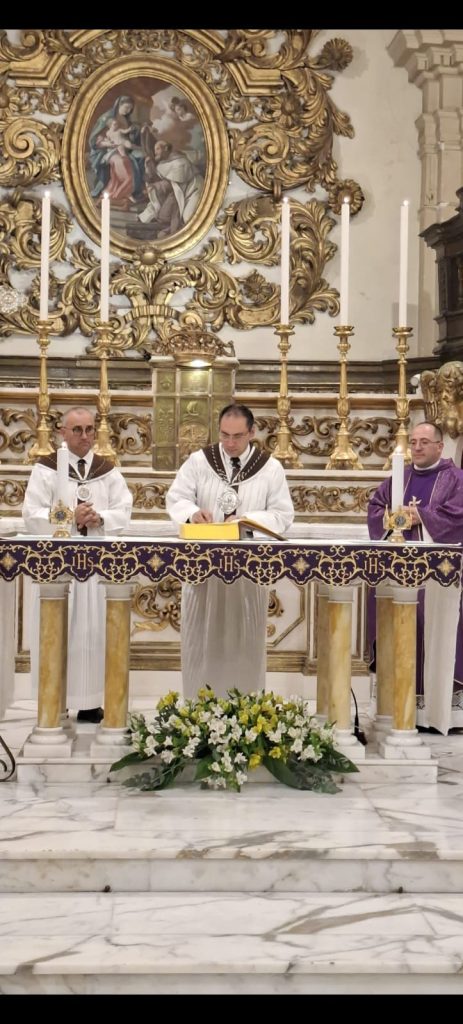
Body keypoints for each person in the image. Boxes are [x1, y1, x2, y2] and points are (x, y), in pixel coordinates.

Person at [165, 403, 294, 698]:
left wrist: (248, 521)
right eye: (224, 435)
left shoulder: (270, 468)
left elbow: (283, 514)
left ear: (252, 432)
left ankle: (247, 708)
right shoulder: (200, 461)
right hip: (202, 568)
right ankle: (197, 708)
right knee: (201, 638)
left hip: (248, 571)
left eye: (237, 436)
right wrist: (192, 513)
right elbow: (176, 498)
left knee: (245, 640)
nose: (230, 443)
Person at [22, 407, 133, 723]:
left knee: (92, 634)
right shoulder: (46, 469)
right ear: (63, 433)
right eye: (77, 430)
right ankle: (54, 699)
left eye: (89, 429)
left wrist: (100, 517)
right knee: (58, 632)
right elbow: (32, 514)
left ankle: (90, 702)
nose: (85, 436)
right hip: (58, 568)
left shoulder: (106, 471)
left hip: (96, 568)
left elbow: (124, 509)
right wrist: (71, 517)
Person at [367, 420, 463, 735]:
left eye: (424, 442)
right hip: (398, 573)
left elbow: (458, 517)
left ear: (440, 446)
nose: (417, 448)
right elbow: (376, 508)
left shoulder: (455, 479)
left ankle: (438, 712)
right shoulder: (399, 477)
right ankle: (399, 706)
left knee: (436, 632)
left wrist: (419, 515)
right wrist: (393, 519)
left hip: (439, 580)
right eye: (414, 442)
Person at [88, 95, 145, 210]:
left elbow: (128, 137)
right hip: (108, 151)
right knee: (123, 166)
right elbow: (95, 140)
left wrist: (136, 131)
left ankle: (131, 192)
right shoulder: (107, 118)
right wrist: (108, 144)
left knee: (142, 156)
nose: (128, 111)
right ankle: (117, 197)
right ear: (119, 105)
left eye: (130, 109)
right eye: (126, 107)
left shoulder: (126, 120)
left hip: (124, 149)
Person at [138, 139, 204, 228]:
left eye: (157, 149)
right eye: (154, 150)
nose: (155, 152)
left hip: (194, 191)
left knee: (188, 218)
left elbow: (173, 184)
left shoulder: (180, 162)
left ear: (166, 148)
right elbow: (159, 179)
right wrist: (149, 168)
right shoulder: (163, 164)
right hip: (180, 193)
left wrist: (156, 186)